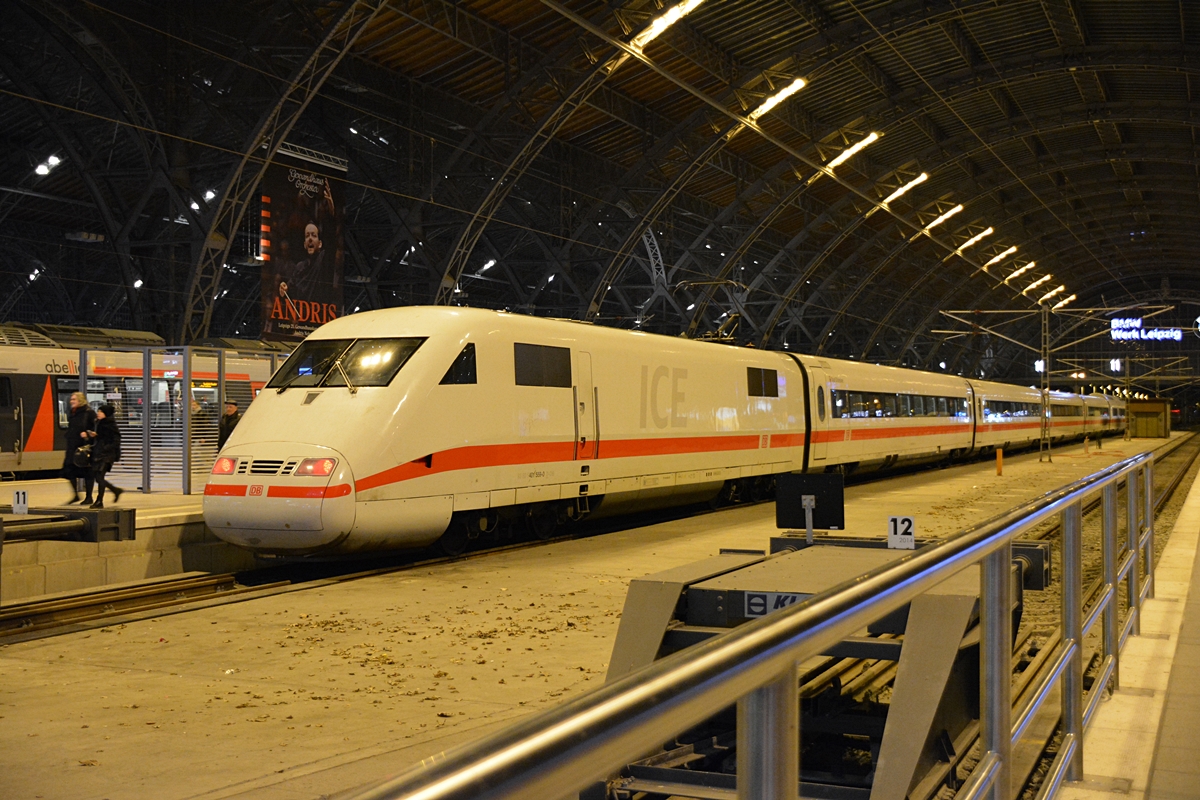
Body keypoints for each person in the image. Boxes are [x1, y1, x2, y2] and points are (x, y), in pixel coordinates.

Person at [85, 403, 123, 508]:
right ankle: (115, 490)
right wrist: (94, 436)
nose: (98, 413)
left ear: (106, 413)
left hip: (107, 455)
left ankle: (99, 500)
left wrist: (105, 447)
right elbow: (101, 437)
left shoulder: (111, 425)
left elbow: (116, 441)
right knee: (97, 477)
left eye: (101, 412)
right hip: (98, 453)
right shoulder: (99, 423)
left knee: (99, 477)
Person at [62, 391, 96, 505]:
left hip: (83, 447)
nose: (71, 401)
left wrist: (87, 433)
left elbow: (96, 429)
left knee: (87, 472)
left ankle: (89, 497)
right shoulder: (72, 413)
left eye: (74, 399)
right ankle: (76, 494)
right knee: (68, 470)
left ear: (80, 401)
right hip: (72, 446)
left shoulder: (89, 413)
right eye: (71, 399)